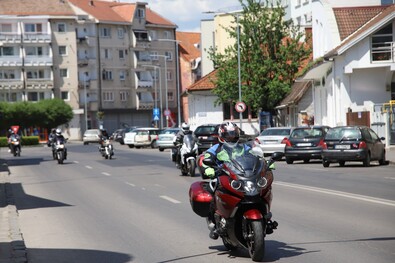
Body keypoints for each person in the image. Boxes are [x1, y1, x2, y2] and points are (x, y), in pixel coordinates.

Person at [198, 121, 253, 240]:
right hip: (222, 176)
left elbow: (256, 157)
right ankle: (213, 220)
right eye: (228, 135)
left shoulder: (244, 147)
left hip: (241, 177)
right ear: (221, 136)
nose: (231, 137)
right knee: (213, 189)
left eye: (233, 134)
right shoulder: (216, 148)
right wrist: (208, 169)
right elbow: (206, 159)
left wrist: (265, 164)